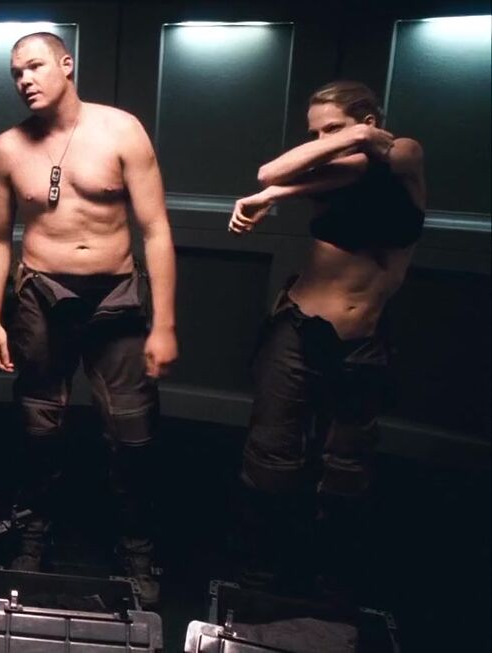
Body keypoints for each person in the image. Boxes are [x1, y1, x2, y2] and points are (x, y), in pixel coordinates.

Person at [0, 33, 177, 605]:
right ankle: (33, 533)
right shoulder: (7, 148)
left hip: (116, 294)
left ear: (67, 65)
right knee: (39, 425)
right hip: (41, 294)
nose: (25, 80)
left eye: (35, 66)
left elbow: (156, 230)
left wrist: (164, 322)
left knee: (133, 431)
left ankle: (137, 545)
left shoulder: (121, 130)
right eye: (16, 72)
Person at [229, 80, 425, 598]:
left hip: (363, 338)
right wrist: (275, 192)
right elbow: (271, 173)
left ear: (370, 120)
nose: (322, 141)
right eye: (314, 133)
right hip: (299, 328)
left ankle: (328, 583)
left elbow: (374, 160)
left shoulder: (405, 153)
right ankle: (257, 579)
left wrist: (351, 140)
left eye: (332, 128)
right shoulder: (337, 171)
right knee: (271, 458)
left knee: (346, 467)